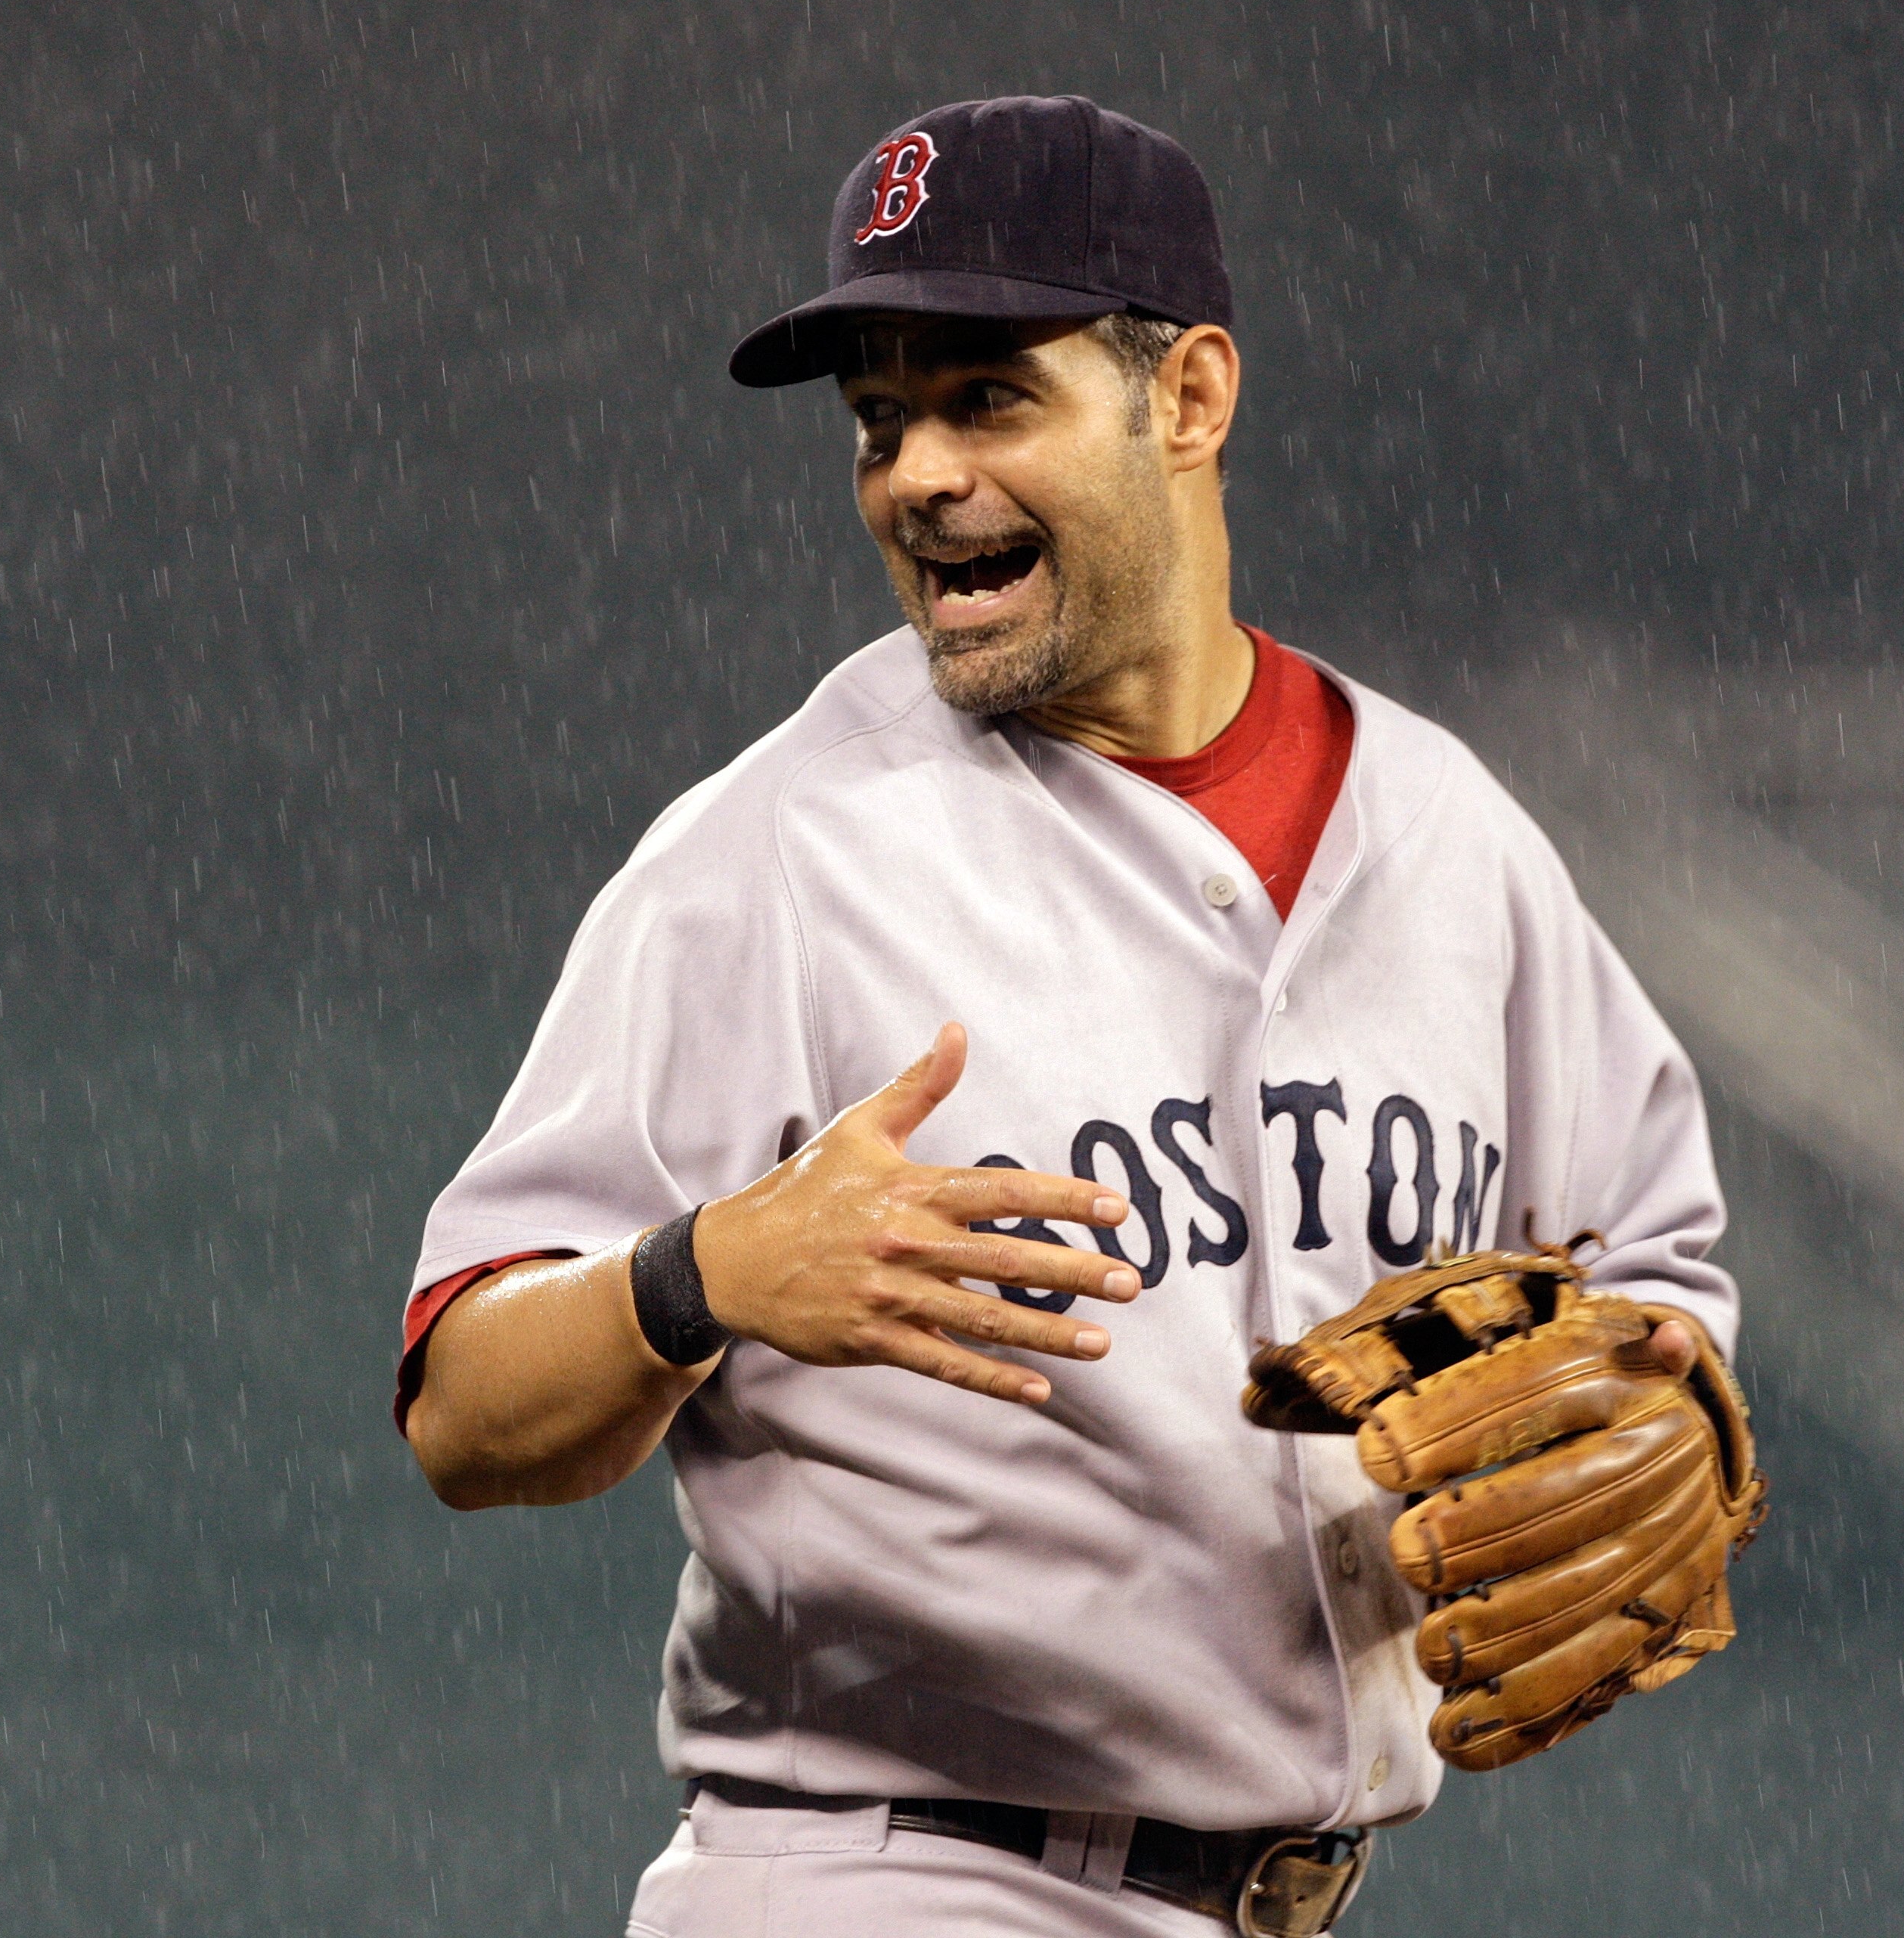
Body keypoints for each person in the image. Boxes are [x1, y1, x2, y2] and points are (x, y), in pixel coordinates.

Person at [395, 94, 1738, 1938]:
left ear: (1188, 399)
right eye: (882, 423)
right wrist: (700, 1277)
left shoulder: (1451, 839)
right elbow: (464, 1404)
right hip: (897, 1881)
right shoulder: (782, 853)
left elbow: (1656, 1261)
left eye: (986, 400)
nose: (917, 477)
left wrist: (1678, 1398)